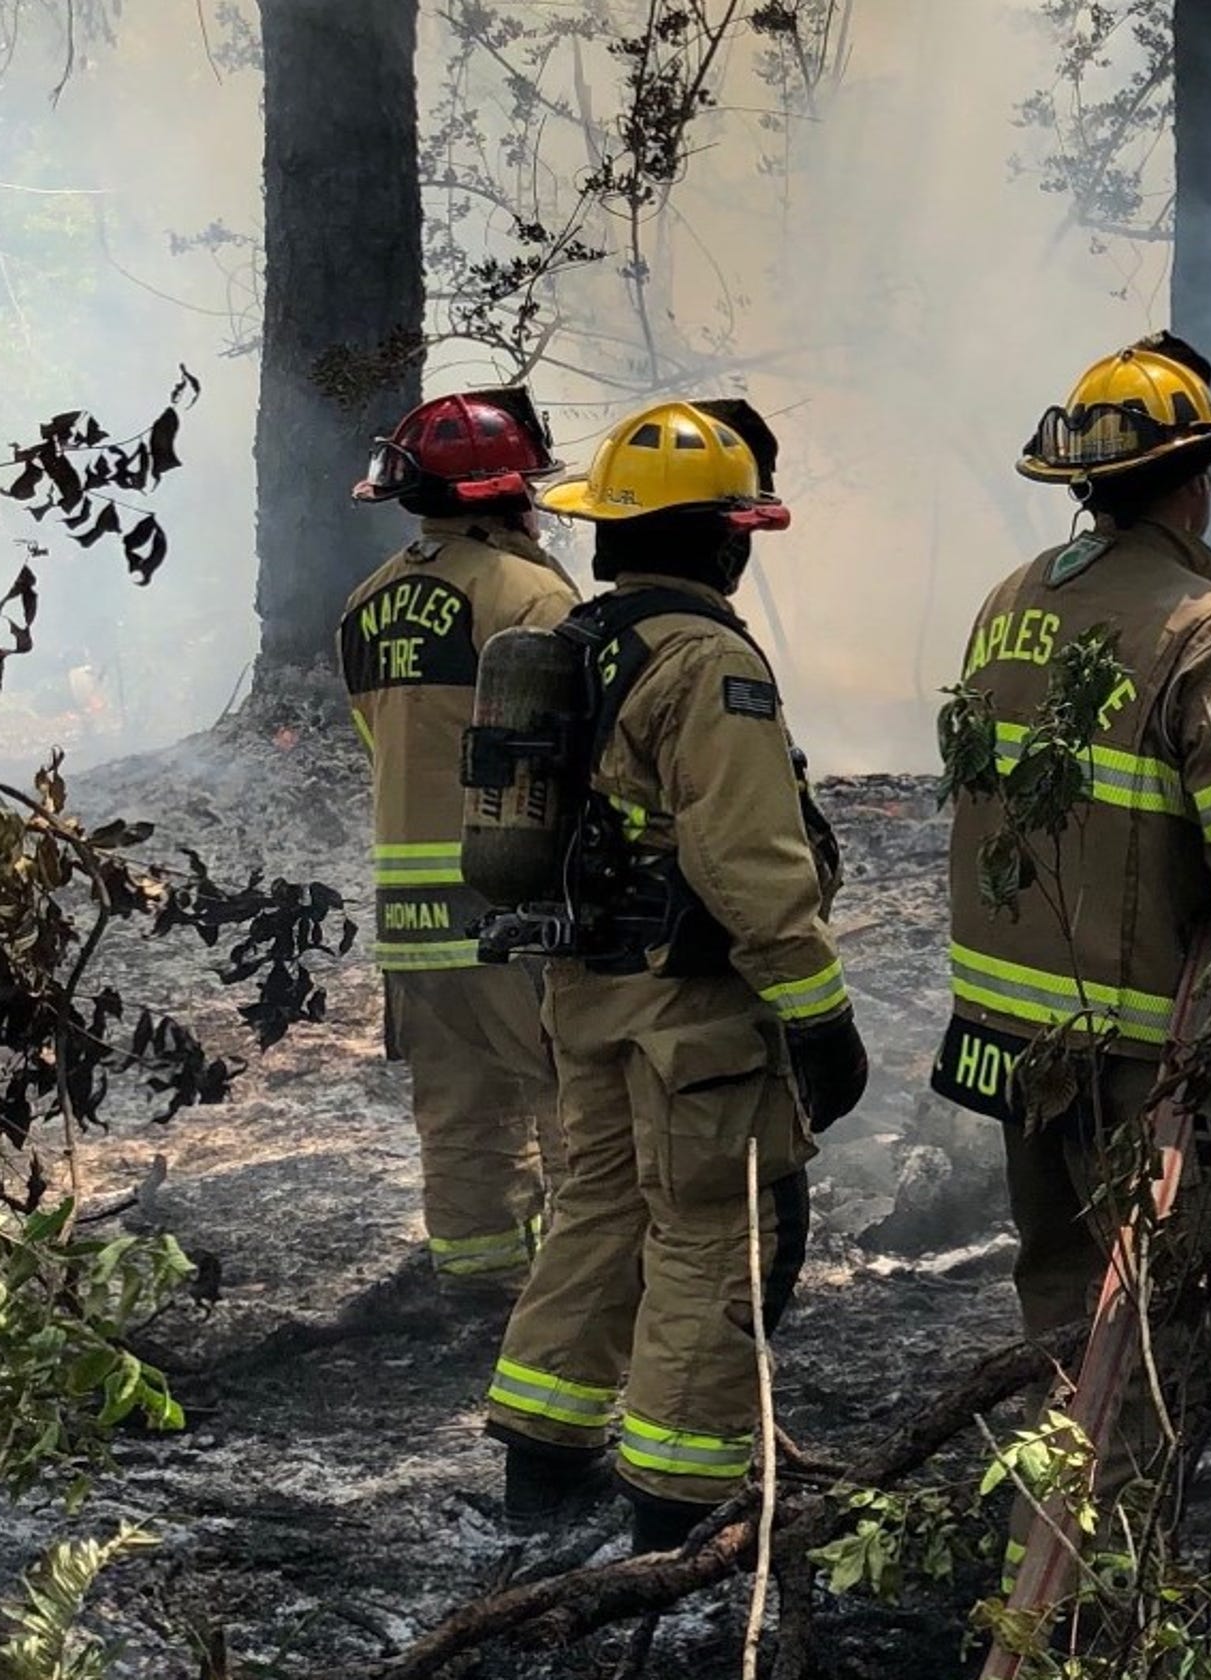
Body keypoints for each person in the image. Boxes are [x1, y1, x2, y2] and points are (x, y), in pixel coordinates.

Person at [930, 333, 1211, 1534]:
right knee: (1161, 1321)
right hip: (1146, 1060)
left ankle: (1038, 1543)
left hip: (1020, 1035)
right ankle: (1100, 1594)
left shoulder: (1013, 600)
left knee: (1065, 1308)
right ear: (1203, 477)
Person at [476, 398, 870, 1553]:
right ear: (723, 539)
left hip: (590, 995)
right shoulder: (704, 661)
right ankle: (680, 1510)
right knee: (719, 1231)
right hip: (692, 1017)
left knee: (595, 1214)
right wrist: (821, 1019)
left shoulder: (584, 641)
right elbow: (749, 861)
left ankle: (541, 1471)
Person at [336, 388, 575, 1297]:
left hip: (412, 913)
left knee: (459, 1113)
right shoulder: (531, 594)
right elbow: (567, 746)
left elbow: (378, 739)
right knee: (567, 1094)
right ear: (512, 495)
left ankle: (478, 1285)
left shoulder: (363, 605)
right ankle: (575, 1291)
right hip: (509, 898)